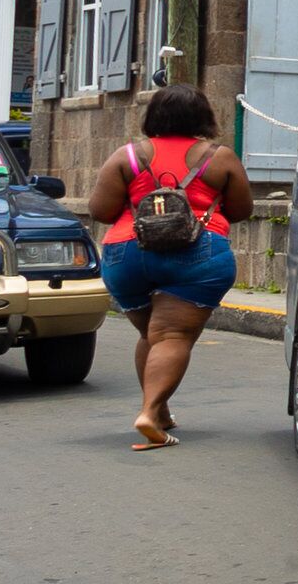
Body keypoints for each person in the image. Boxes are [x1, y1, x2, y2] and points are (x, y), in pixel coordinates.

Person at [89, 84, 252, 451]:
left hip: (126, 253)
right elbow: (242, 210)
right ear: (204, 118)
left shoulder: (126, 156)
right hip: (198, 252)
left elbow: (100, 211)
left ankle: (159, 410)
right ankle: (149, 413)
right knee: (171, 337)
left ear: (153, 117)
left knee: (153, 336)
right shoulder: (219, 157)